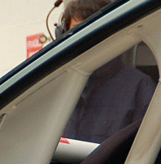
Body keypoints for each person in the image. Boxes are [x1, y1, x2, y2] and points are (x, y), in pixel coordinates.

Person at [59, 0, 156, 143]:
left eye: (92, 30)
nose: (84, 39)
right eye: (77, 31)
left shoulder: (140, 88)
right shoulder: (56, 87)